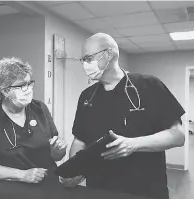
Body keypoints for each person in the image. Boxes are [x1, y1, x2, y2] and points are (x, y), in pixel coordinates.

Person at [60, 33, 185, 199]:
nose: (85, 64)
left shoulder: (148, 86)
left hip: (145, 191)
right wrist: (75, 169)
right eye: (83, 59)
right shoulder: (86, 97)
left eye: (89, 58)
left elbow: (178, 135)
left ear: (109, 54)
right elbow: (79, 140)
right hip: (98, 190)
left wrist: (133, 144)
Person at [0, 57, 67, 184]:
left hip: (48, 184)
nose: (29, 89)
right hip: (11, 189)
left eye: (29, 83)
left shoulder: (40, 109)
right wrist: (23, 175)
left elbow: (55, 156)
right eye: (22, 85)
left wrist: (59, 151)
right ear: (5, 91)